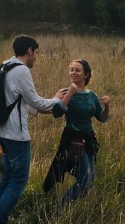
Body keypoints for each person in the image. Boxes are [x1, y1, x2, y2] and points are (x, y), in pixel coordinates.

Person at [0, 35, 70, 224]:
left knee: (6, 178)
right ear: (30, 51)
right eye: (36, 53)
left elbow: (21, 101)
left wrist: (49, 104)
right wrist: (56, 100)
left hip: (4, 131)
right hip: (17, 135)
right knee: (18, 181)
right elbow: (36, 102)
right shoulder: (21, 70)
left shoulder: (6, 66)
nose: (36, 57)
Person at [42, 59, 110, 203]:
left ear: (86, 74)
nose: (73, 73)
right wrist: (70, 94)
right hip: (73, 141)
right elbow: (57, 113)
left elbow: (101, 118)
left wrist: (107, 107)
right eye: (72, 70)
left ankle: (68, 207)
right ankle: (60, 207)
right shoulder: (65, 92)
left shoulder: (91, 95)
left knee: (90, 179)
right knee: (85, 179)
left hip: (89, 140)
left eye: (77, 70)